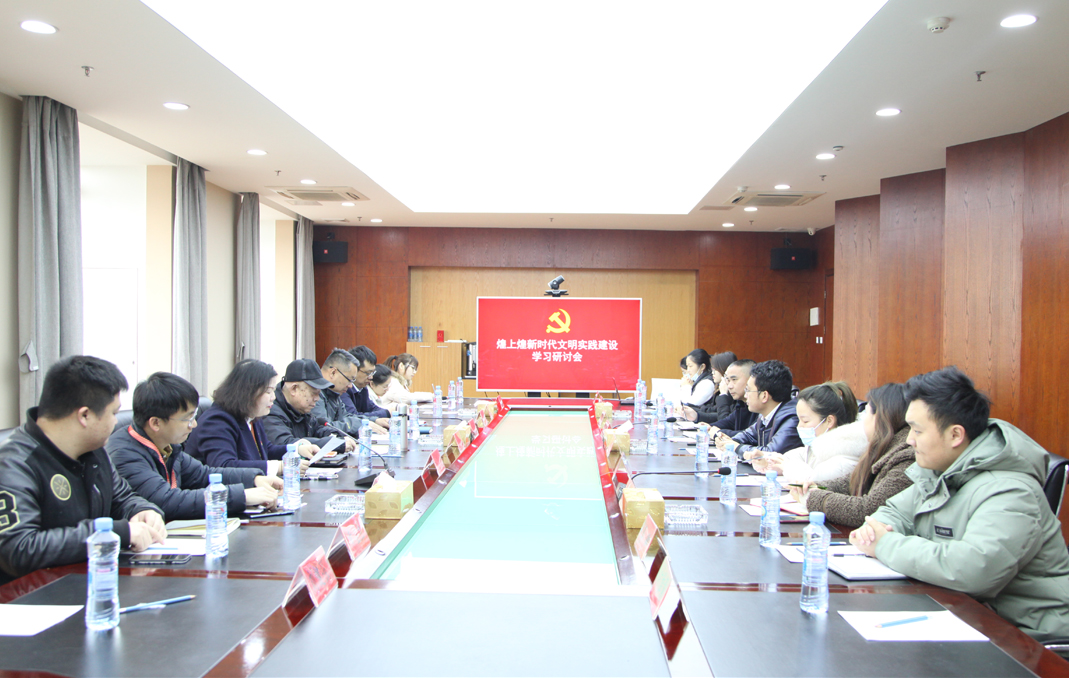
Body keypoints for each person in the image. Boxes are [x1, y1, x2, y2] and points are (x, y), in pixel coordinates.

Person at [850, 367, 1069, 642]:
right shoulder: (941, 470)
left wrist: (884, 544)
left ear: (955, 435)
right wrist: (875, 531)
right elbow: (893, 512)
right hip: (966, 616)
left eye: (917, 430)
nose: (909, 440)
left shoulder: (1011, 491)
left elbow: (971, 570)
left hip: (1026, 637)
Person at [0, 356, 165, 584]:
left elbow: (122, 498)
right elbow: (18, 549)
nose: (116, 422)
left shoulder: (94, 452)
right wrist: (112, 534)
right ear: (84, 415)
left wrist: (142, 510)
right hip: (30, 596)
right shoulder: (14, 464)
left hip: (88, 583)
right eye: (113, 413)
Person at [107, 372, 283, 521]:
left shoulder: (168, 446)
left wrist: (254, 479)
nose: (194, 425)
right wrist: (242, 496)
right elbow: (166, 501)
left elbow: (203, 474)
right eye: (188, 419)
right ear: (156, 423)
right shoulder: (124, 453)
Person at [790, 383, 914, 528]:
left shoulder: (906, 458)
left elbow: (866, 510)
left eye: (867, 414)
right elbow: (850, 482)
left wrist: (814, 497)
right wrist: (817, 487)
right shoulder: (883, 448)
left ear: (881, 419)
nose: (862, 421)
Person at [186, 359, 315, 475]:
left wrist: (296, 449)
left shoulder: (252, 416)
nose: (273, 397)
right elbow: (225, 466)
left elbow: (266, 450)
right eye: (268, 391)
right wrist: (280, 466)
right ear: (248, 392)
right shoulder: (216, 421)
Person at [759, 381, 865, 485]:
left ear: (829, 421)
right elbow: (794, 457)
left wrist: (789, 468)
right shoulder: (817, 448)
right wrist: (769, 461)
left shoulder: (844, 460)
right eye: (799, 420)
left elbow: (814, 484)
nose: (799, 426)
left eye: (805, 421)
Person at [715, 359, 800, 457]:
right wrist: (728, 442)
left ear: (764, 396)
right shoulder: (765, 414)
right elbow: (747, 435)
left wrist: (736, 447)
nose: (746, 395)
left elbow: (769, 453)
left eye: (748, 390)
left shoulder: (792, 418)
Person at [263, 359, 344, 450]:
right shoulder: (270, 411)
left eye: (319, 394)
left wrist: (339, 437)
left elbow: (319, 429)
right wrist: (335, 444)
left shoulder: (302, 409)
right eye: (314, 393)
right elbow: (286, 444)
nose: (317, 399)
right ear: (294, 389)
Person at [681, 359, 758, 435]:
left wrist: (718, 432)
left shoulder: (758, 406)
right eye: (728, 380)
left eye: (734, 379)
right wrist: (709, 427)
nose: (729, 386)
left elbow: (750, 436)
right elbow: (728, 421)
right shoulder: (741, 403)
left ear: (751, 380)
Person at [310, 349, 370, 442]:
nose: (350, 386)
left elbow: (345, 417)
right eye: (349, 379)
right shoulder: (314, 392)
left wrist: (370, 421)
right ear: (333, 372)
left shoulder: (334, 392)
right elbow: (324, 427)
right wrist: (359, 424)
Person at [341, 345, 391, 430]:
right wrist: (385, 413)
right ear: (354, 369)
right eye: (368, 373)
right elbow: (353, 416)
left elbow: (371, 408)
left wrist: (388, 413)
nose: (371, 377)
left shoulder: (362, 387)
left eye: (372, 373)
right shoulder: (344, 389)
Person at [706, 351, 737, 420]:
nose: (712, 373)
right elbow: (712, 409)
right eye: (712, 369)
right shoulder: (719, 387)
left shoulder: (732, 393)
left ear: (724, 369)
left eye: (715, 369)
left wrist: (723, 395)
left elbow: (724, 418)